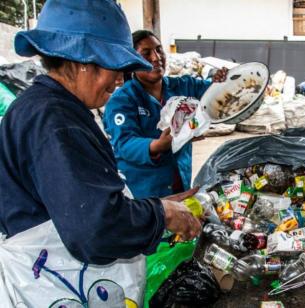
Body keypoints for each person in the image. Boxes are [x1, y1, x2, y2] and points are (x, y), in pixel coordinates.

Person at [0, 1, 202, 306]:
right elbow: (95, 227)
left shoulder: (50, 107)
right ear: (82, 59)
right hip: (52, 283)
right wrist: (161, 214)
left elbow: (82, 195)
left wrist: (151, 206)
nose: (120, 79)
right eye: (114, 66)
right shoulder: (55, 120)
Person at [103, 30, 227, 199]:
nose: (156, 57)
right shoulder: (122, 100)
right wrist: (156, 146)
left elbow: (214, 93)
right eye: (146, 53)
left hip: (179, 180)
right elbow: (124, 143)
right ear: (131, 61)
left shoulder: (183, 86)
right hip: (145, 192)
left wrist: (221, 81)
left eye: (159, 50)